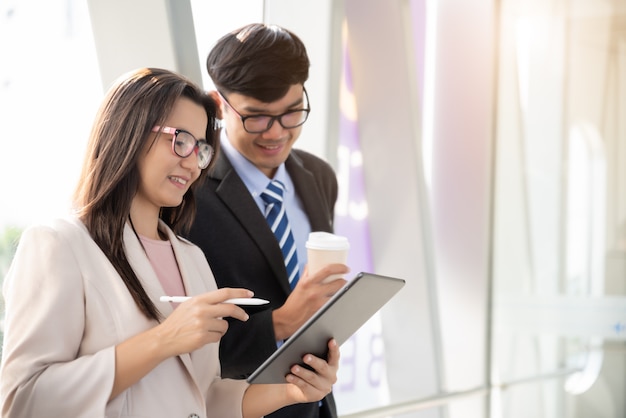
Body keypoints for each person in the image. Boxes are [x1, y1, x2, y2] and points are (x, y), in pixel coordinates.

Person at [0, 67, 340, 418]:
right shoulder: (59, 245)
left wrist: (290, 390)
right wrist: (163, 340)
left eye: (202, 149)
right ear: (128, 132)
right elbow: (23, 400)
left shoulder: (191, 257)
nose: (192, 164)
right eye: (180, 140)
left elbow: (204, 397)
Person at [185, 23, 348, 418]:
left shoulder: (319, 177)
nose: (276, 133)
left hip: (316, 404)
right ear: (217, 104)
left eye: (292, 113)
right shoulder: (188, 192)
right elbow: (176, 338)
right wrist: (279, 323)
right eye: (256, 117)